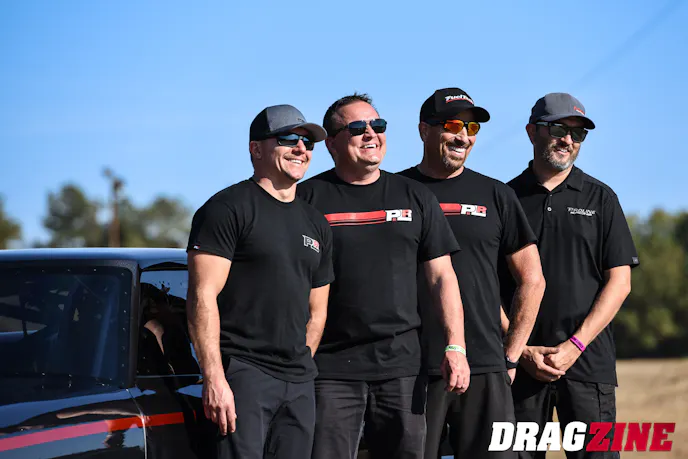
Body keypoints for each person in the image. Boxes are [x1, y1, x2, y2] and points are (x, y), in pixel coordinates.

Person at [296, 93, 469, 459]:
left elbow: (442, 277)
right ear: (331, 143)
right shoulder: (306, 200)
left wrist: (455, 347)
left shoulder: (415, 196)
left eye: (378, 125)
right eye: (357, 127)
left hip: (401, 367)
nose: (371, 133)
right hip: (329, 370)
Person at [398, 87, 546, 459]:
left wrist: (510, 356)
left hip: (485, 366)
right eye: (452, 125)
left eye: (472, 128)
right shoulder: (396, 192)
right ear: (424, 130)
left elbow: (532, 279)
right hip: (411, 366)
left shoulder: (495, 195)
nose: (463, 136)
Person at [185, 104, 335, 459]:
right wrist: (215, 378)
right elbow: (202, 296)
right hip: (244, 375)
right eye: (288, 139)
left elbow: (317, 311)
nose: (301, 148)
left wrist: (298, 366)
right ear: (256, 148)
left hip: (299, 382)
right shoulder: (227, 209)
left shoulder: (316, 223)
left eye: (308, 142)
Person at [501, 93, 639, 459]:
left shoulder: (601, 198)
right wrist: (520, 350)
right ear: (532, 132)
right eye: (558, 129)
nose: (568, 140)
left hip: (587, 366)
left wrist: (575, 346)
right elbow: (484, 285)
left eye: (577, 134)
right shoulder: (505, 198)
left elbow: (620, 282)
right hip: (519, 370)